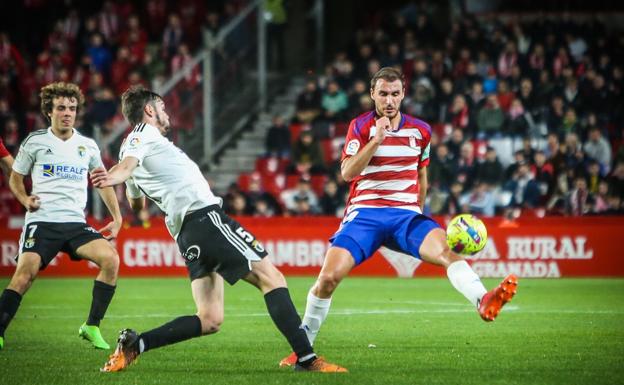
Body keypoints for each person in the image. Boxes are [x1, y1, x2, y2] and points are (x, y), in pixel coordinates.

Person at [91, 86, 345, 373]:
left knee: (210, 319)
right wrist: (110, 176)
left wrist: (128, 191)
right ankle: (307, 359)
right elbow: (124, 169)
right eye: (161, 107)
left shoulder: (138, 147)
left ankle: (135, 345)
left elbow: (136, 201)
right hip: (205, 219)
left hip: (187, 235)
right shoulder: (142, 134)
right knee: (271, 278)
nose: (166, 112)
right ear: (149, 110)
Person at [279, 67, 519, 367]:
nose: (389, 101)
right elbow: (346, 173)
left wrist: (418, 209)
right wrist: (376, 140)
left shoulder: (421, 131)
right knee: (328, 278)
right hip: (365, 216)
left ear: (403, 94)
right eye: (383, 94)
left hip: (406, 216)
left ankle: (483, 299)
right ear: (372, 95)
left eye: (394, 94)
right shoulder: (361, 126)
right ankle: (303, 351)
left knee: (447, 251)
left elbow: (422, 173)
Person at [0, 82, 122, 350]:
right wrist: (24, 199)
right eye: (61, 108)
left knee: (111, 260)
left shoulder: (87, 146)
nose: (68, 113)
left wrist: (117, 217)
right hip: (42, 221)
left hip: (76, 224)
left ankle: (91, 326)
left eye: (72, 108)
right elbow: (16, 178)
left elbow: (102, 182)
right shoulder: (35, 141)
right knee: (24, 276)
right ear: (49, 112)